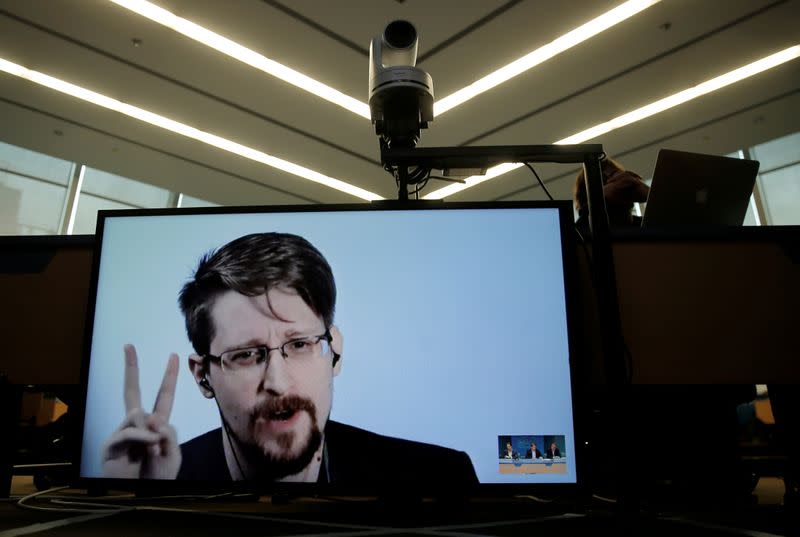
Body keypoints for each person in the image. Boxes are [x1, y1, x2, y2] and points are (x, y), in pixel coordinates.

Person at [101, 232, 478, 485]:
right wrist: (132, 504)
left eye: (299, 345)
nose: (278, 382)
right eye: (246, 355)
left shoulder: (438, 479)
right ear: (203, 377)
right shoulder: (158, 482)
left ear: (335, 351)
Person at [573, 156, 650, 238]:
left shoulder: (643, 227)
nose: (622, 180)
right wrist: (600, 197)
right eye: (610, 177)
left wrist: (649, 194)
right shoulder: (582, 234)